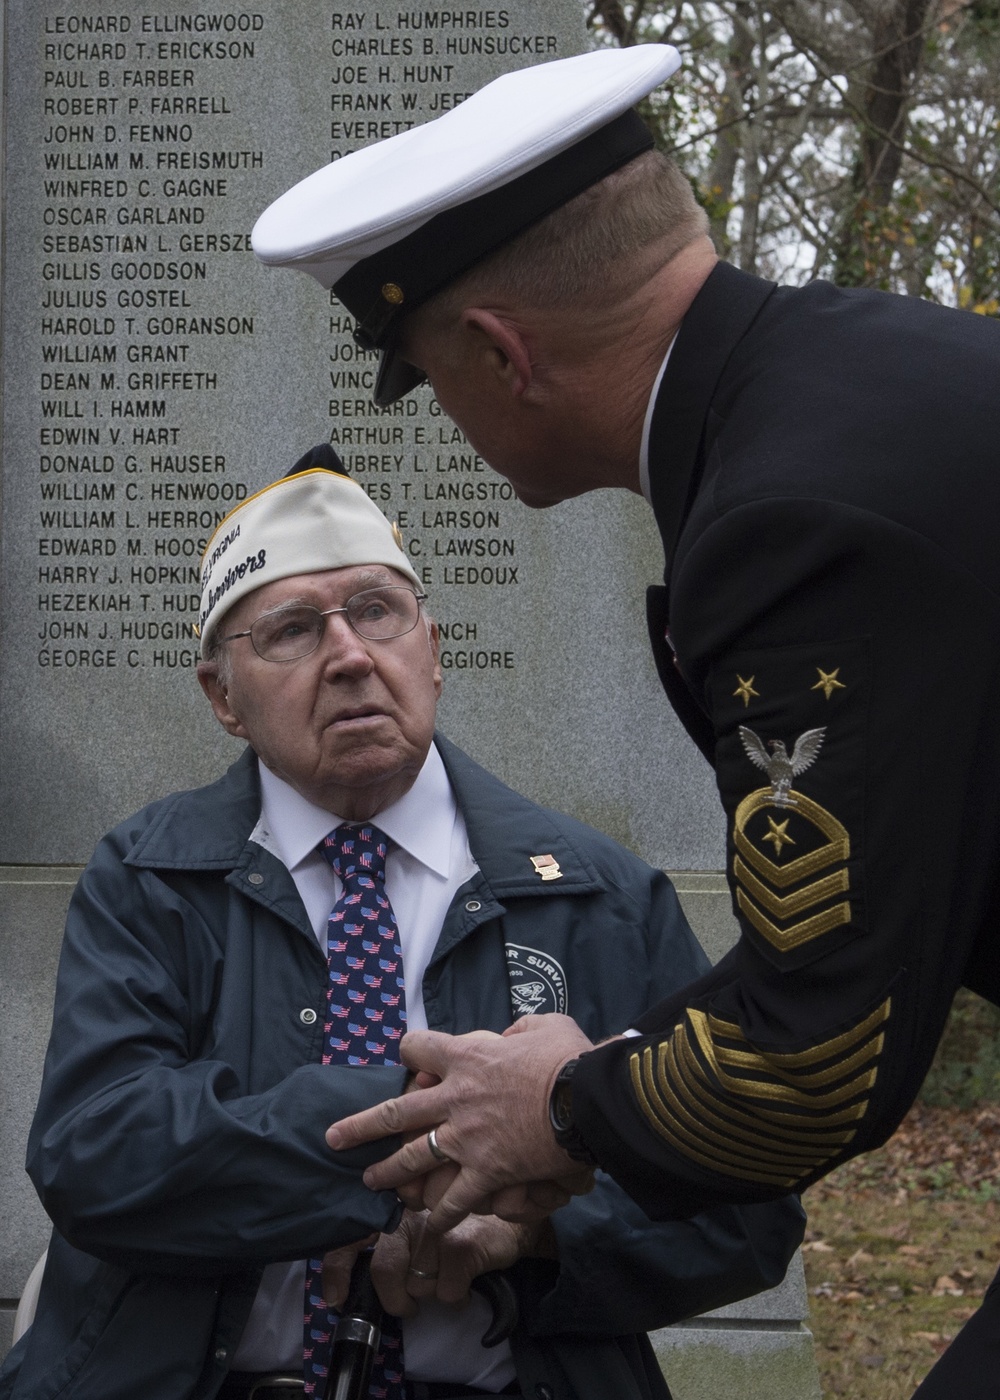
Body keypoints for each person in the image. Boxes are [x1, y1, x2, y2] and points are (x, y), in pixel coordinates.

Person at [252, 45, 1000, 1397]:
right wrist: (601, 1076)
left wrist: (553, 1102)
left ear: (499, 353)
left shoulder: (786, 523)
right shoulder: (854, 382)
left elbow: (814, 1064)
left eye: (424, 378)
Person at [0, 445, 803, 1400]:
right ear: (223, 696)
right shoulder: (150, 877)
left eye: (379, 611)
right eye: (293, 630)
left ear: (433, 647)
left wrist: (535, 1230)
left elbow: (745, 1208)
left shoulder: (600, 894)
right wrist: (445, 1127)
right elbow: (95, 1152)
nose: (349, 656)